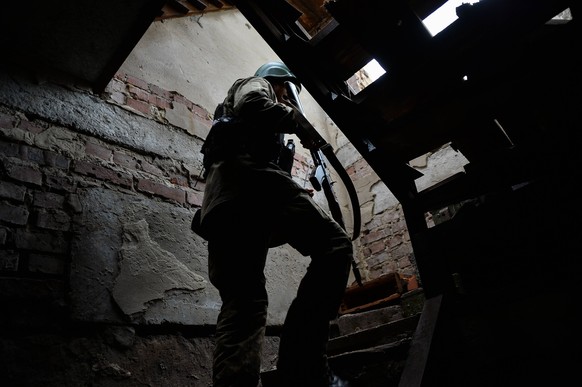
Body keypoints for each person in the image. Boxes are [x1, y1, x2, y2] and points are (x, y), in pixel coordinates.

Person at [193, 61, 353, 387]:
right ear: (278, 83)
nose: (287, 97)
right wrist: (297, 120)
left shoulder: (245, 121)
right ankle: (304, 366)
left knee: (244, 304)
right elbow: (253, 105)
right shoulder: (257, 85)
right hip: (250, 185)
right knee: (335, 245)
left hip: (226, 202)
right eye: (286, 90)